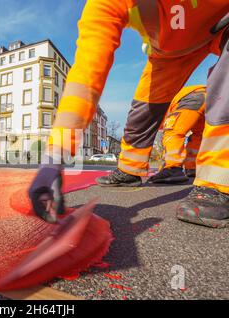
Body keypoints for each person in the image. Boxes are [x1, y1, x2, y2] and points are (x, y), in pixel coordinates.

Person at [29, 0, 229, 228]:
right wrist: (55, 158)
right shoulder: (104, 5)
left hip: (220, 27)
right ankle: (130, 169)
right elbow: (85, 80)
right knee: (143, 111)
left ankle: (218, 183)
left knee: (224, 91)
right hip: (168, 53)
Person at [148, 85, 206, 184]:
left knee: (172, 130)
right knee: (198, 135)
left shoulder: (159, 111)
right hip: (212, 98)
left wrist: (166, 165)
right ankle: (192, 168)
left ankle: (173, 168)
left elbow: (169, 131)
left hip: (192, 97)